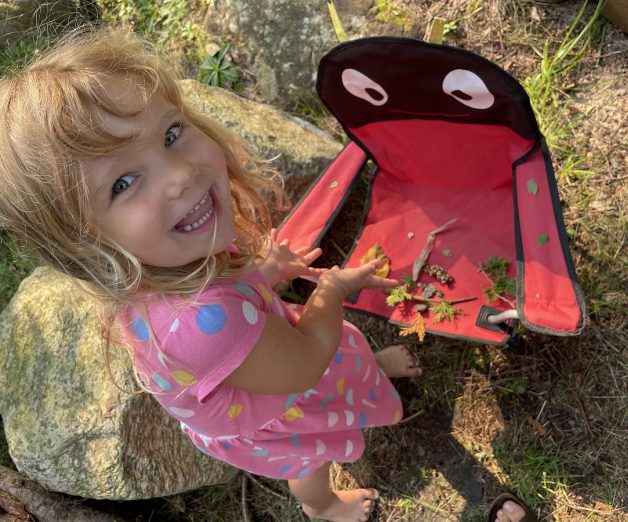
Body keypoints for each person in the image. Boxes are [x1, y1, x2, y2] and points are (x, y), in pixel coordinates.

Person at [0, 28, 422, 522]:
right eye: (123, 182)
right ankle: (324, 506)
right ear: (86, 245)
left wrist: (263, 271)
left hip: (263, 356)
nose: (179, 174)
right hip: (280, 411)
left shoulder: (168, 260)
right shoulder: (204, 325)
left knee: (342, 360)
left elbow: (235, 304)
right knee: (312, 456)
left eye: (171, 133)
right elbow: (307, 361)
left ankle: (369, 370)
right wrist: (331, 290)